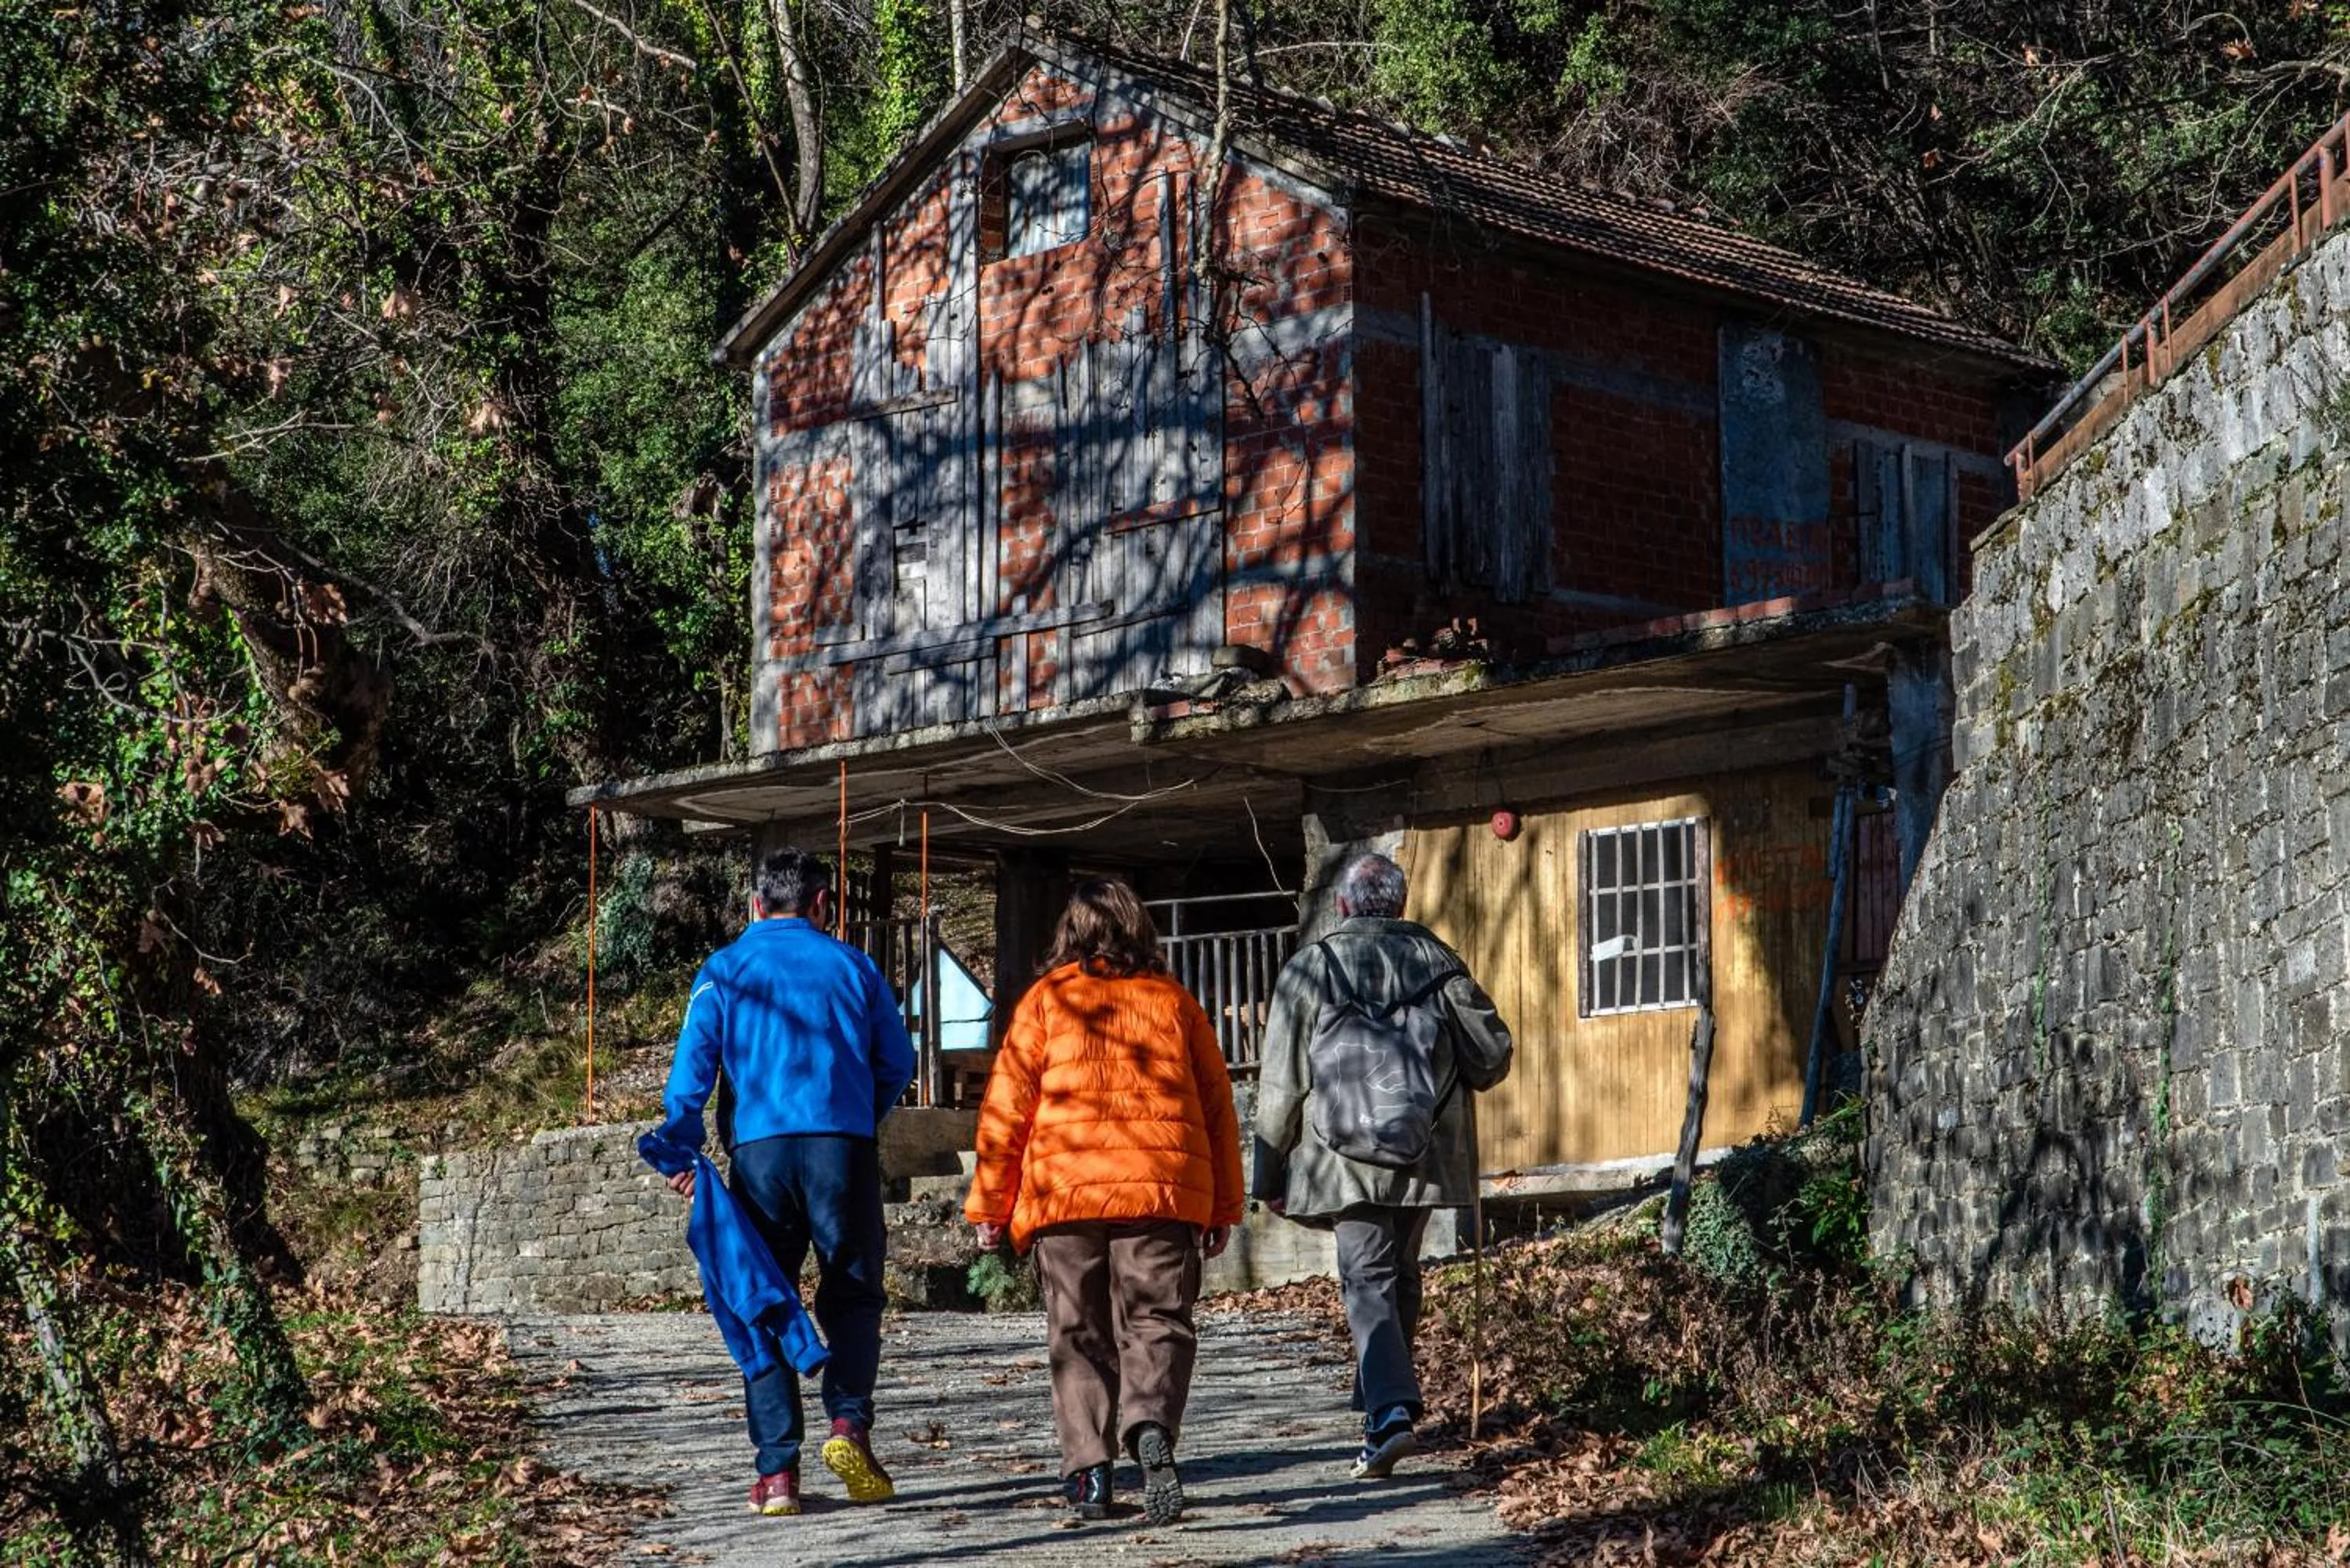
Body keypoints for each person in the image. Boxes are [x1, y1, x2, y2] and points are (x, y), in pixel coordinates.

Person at [964, 879, 1246, 1525]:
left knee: (1078, 1334)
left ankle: (1090, 1474)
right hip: (1161, 1187)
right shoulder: (1173, 1002)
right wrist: (1225, 1205)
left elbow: (1006, 1111)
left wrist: (990, 1206)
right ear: (1137, 930)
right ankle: (1149, 1426)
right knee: (1157, 1320)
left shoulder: (1044, 1003)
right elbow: (1217, 1108)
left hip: (1065, 1193)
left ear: (1071, 932)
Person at [649, 845, 915, 1519]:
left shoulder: (725, 970)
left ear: (754, 905)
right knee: (853, 1295)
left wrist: (682, 1150)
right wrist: (858, 1115)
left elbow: (691, 1075)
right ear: (824, 905)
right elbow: (898, 1062)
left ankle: (777, 1476)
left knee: (760, 1298)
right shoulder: (855, 966)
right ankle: (849, 1424)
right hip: (842, 1150)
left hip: (760, 1157)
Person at [1253, 851, 1513, 1481]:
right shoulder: (1439, 963)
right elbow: (1493, 1057)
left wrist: (1268, 1171)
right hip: (1421, 1151)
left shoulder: (1309, 970)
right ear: (1399, 905)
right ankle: (1379, 1398)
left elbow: (1282, 1084)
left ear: (1341, 906)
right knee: (1399, 1271)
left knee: (1367, 1277)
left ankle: (1390, 1411)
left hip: (1339, 1155)